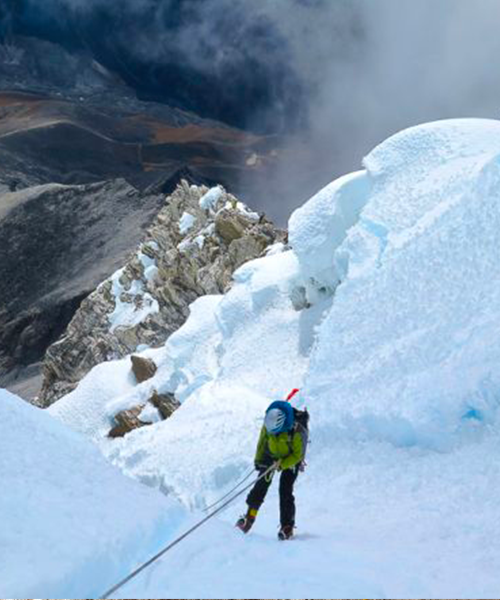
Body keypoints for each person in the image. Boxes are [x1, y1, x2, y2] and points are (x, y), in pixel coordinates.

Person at [236, 399, 308, 540]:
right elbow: (263, 440)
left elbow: (297, 455)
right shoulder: (269, 423)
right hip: (272, 453)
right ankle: (249, 517)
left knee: (285, 489)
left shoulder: (296, 430)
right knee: (261, 484)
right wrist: (259, 460)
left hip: (290, 458)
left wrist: (282, 465)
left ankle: (287, 526)